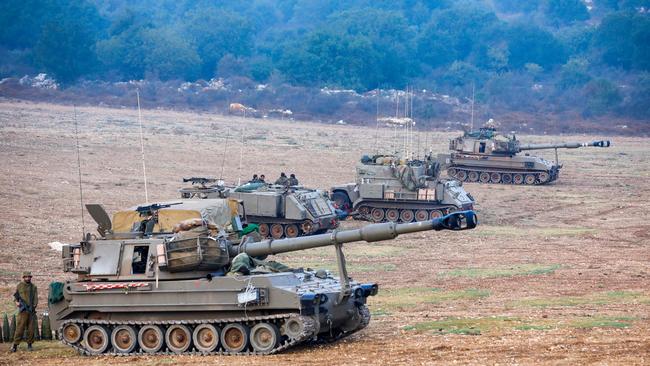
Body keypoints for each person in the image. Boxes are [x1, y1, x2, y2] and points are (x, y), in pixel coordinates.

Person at [11, 272, 38, 352]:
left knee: (31, 329)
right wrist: (17, 302)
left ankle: (29, 345)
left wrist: (33, 306)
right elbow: (15, 297)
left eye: (29, 277)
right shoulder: (20, 286)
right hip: (22, 311)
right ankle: (15, 345)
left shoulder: (34, 287)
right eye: (26, 277)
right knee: (20, 328)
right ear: (23, 277)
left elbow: (35, 298)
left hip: (31, 311)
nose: (27, 278)